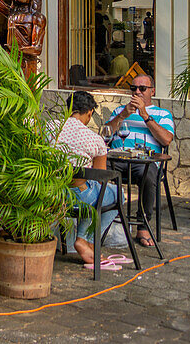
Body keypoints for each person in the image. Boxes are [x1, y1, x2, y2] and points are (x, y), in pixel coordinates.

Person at [51, 91, 121, 266]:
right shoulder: (95, 139)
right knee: (114, 193)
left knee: (94, 193)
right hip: (79, 197)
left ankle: (87, 242)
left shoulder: (50, 127)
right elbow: (100, 178)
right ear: (89, 112)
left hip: (52, 194)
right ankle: (85, 240)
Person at [104, 76, 174, 247]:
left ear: (152, 91)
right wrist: (122, 115)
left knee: (149, 174)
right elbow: (105, 135)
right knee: (96, 168)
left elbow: (166, 140)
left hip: (143, 162)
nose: (137, 92)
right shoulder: (120, 110)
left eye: (142, 89)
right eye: (133, 88)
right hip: (117, 159)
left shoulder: (162, 114)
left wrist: (145, 116)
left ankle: (143, 225)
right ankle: (102, 220)